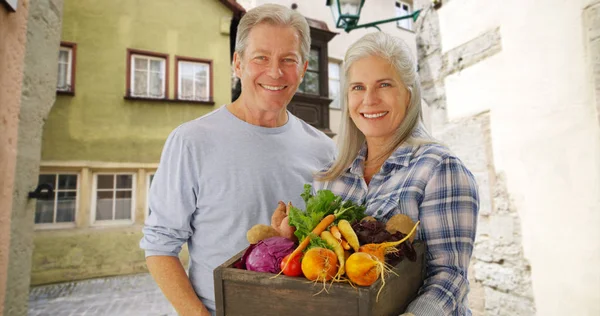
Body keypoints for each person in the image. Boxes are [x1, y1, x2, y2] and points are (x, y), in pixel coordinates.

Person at [139, 4, 336, 316]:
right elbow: (160, 247)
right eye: (261, 57)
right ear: (237, 63)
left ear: (303, 68)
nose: (275, 72)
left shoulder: (325, 150)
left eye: (288, 60)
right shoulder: (191, 141)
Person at [313, 32, 479, 316]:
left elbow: (449, 277)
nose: (369, 100)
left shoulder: (439, 168)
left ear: (409, 93)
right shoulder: (331, 179)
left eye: (384, 84)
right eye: (357, 87)